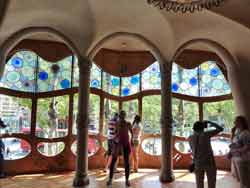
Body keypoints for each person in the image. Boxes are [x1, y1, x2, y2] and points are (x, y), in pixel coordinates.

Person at [189, 120, 223, 188]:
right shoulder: (206, 134)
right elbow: (220, 128)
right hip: (209, 162)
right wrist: (210, 122)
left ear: (194, 128)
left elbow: (193, 151)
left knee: (199, 184)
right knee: (211, 183)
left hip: (197, 163)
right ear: (203, 128)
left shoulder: (190, 137)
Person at [107, 111, 133, 187]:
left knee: (127, 162)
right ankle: (110, 179)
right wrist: (113, 141)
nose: (121, 116)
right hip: (117, 143)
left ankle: (127, 180)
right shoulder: (117, 123)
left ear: (125, 116)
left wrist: (131, 141)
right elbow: (115, 132)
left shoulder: (128, 123)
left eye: (123, 115)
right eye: (120, 115)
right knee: (113, 161)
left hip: (125, 143)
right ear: (119, 116)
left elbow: (131, 132)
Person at [228, 116, 250, 188]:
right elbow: (236, 143)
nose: (234, 123)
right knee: (242, 180)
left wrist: (235, 150)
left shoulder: (245, 133)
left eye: (236, 121)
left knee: (245, 182)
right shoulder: (238, 132)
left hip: (243, 159)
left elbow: (247, 147)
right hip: (237, 158)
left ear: (241, 123)